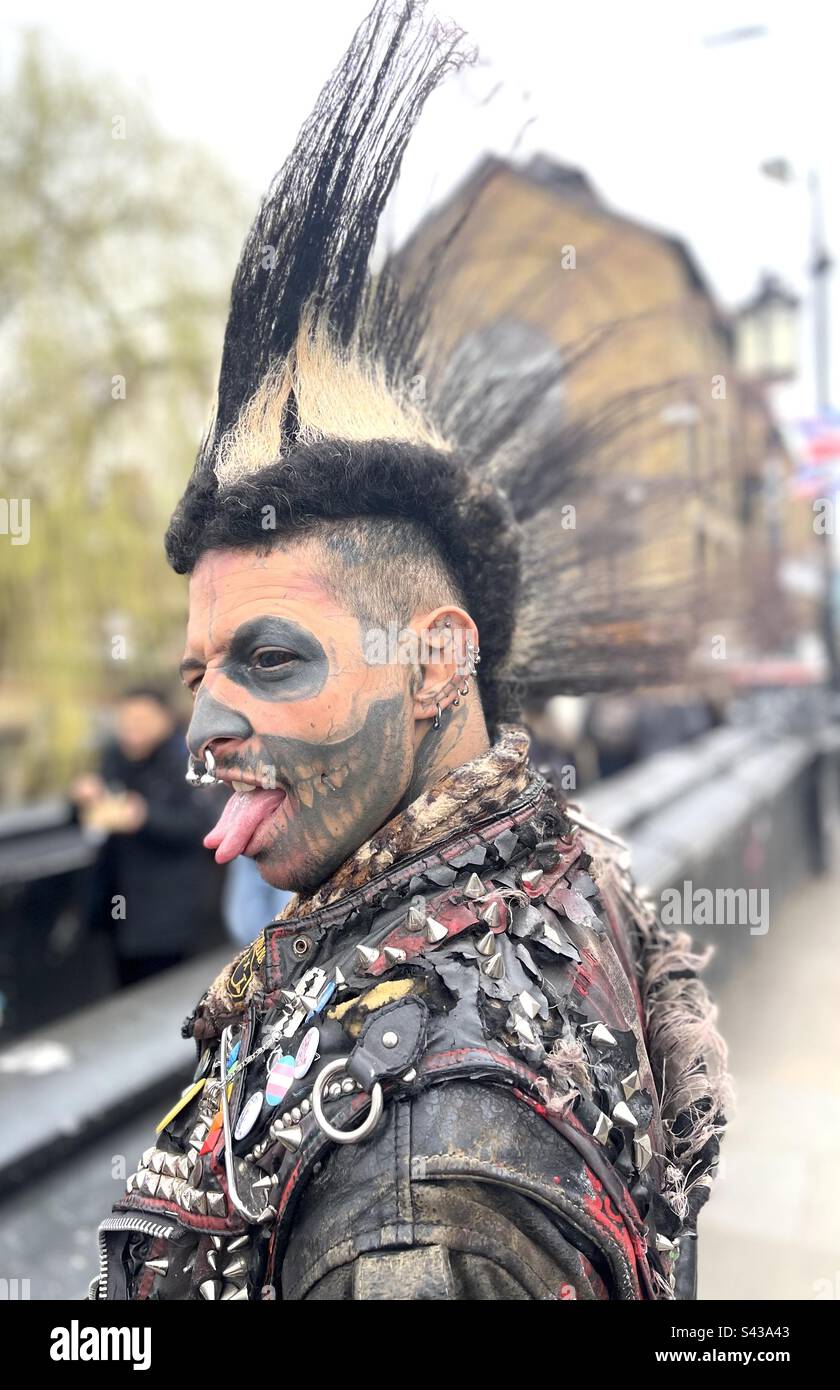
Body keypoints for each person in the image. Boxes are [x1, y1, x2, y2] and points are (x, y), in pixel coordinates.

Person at [91, 1, 729, 1301]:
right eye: (196, 673)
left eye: (270, 659)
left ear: (437, 662)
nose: (214, 723)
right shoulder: (557, 856)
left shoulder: (413, 1197)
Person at [73, 688, 224, 986]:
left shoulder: (191, 761)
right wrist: (83, 799)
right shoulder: (114, 757)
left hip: (169, 912)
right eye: (126, 721)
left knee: (163, 994)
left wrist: (145, 817)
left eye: (141, 720)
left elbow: (203, 826)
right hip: (116, 907)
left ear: (165, 719)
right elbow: (87, 818)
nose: (132, 729)